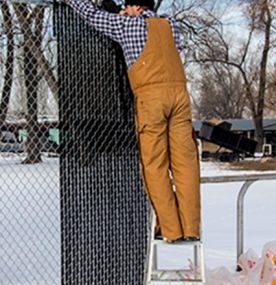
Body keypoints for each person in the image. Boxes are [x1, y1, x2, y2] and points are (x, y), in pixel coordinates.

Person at [65, 0, 201, 243]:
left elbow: (91, 15)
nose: (123, 10)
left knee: (154, 165)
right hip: (180, 97)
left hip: (151, 99)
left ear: (136, 7)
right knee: (185, 164)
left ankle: (171, 229)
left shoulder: (126, 26)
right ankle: (191, 227)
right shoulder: (170, 24)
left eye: (126, 6)